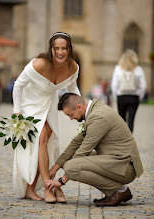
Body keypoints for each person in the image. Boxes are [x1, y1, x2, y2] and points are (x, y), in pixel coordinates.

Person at [12, 32, 81, 203]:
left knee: (47, 144)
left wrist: (82, 110)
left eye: (63, 48)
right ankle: (48, 186)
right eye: (56, 48)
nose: (60, 52)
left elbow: (73, 89)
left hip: (49, 104)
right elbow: (18, 85)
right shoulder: (39, 64)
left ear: (69, 49)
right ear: (51, 49)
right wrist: (17, 112)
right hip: (30, 104)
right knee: (41, 137)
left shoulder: (73, 67)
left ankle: (30, 190)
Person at [45, 93, 143, 207]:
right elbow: (75, 144)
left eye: (70, 115)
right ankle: (116, 191)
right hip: (114, 160)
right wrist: (54, 169)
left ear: (78, 107)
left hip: (124, 167)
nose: (71, 118)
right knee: (70, 160)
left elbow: (83, 151)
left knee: (71, 167)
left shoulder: (98, 117)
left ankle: (118, 191)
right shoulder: (93, 111)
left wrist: (61, 181)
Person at [111, 49, 146, 132]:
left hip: (121, 96)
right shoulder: (138, 69)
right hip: (134, 97)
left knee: (121, 120)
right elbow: (143, 86)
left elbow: (114, 85)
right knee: (131, 120)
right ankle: (129, 139)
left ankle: (122, 139)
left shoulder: (118, 69)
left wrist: (115, 97)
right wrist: (139, 96)